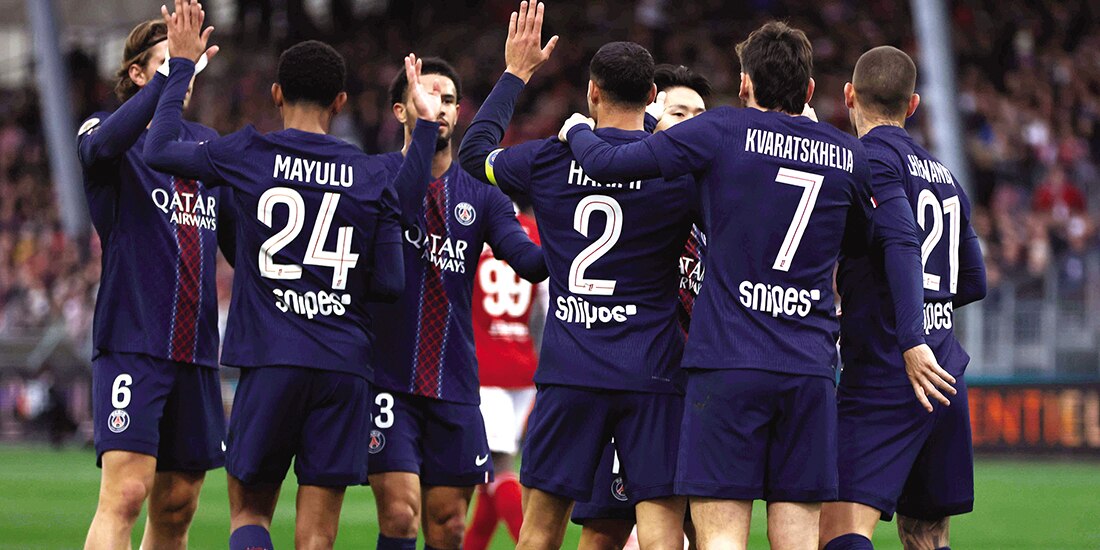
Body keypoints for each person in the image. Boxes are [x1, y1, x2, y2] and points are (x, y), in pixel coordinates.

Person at [559, 20, 937, 550]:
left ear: (743, 85)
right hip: (808, 369)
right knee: (799, 541)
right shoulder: (849, 155)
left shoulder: (719, 132)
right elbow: (896, 238)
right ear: (809, 91)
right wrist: (913, 337)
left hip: (726, 365)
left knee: (720, 538)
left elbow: (610, 163)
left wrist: (576, 127)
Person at [143, 6, 442, 546]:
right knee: (317, 537)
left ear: (276, 93)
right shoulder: (373, 172)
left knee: (250, 514)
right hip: (343, 367)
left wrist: (181, 66)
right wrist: (421, 129)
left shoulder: (248, 152)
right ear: (341, 102)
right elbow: (411, 196)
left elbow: (159, 148)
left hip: (270, 357)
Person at [460, 3, 697, 549]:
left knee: (540, 530)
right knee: (662, 534)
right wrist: (661, 126)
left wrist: (517, 72)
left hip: (572, 371)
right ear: (653, 99)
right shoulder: (677, 169)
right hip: (654, 371)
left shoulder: (548, 159)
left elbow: (474, 155)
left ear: (591, 93)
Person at [366, 52, 548, 550]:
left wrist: (570, 224)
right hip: (388, 381)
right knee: (402, 514)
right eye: (426, 99)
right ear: (401, 111)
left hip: (456, 382)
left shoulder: (483, 197)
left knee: (448, 528)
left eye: (448, 100)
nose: (439, 108)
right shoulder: (375, 178)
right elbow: (390, 219)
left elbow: (529, 262)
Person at [820, 45, 987, 550]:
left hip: (888, 371)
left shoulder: (865, 160)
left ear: (849, 95)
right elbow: (973, 279)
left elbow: (901, 245)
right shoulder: (945, 175)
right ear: (912, 105)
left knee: (839, 532)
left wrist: (903, 329)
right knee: (926, 533)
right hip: (945, 375)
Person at [77, 2, 228, 548]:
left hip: (196, 352)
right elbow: (101, 145)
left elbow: (237, 238)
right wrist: (174, 69)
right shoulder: (107, 134)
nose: (183, 72)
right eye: (167, 61)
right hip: (134, 342)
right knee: (126, 494)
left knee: (178, 505)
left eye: (188, 63)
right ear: (139, 73)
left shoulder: (208, 145)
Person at [570, 63, 711, 550]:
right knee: (605, 528)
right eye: (678, 112)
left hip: (704, 388)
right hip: (641, 381)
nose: (690, 123)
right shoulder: (638, 194)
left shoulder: (716, 200)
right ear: (652, 116)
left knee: (704, 529)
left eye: (699, 114)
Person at [463, 204, 543, 550]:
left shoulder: (474, 227)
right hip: (524, 365)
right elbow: (547, 304)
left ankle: (528, 543)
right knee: (491, 475)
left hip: (484, 366)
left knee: (498, 468)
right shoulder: (535, 234)